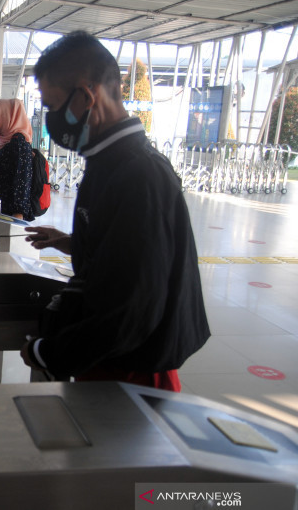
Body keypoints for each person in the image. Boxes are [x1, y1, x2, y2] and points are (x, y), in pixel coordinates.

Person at [21, 31, 210, 391]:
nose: (50, 119)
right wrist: (75, 243)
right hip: (111, 357)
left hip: (134, 369)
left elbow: (132, 310)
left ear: (87, 94)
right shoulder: (108, 161)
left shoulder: (140, 174)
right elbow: (129, 252)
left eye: (52, 106)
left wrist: (49, 353)